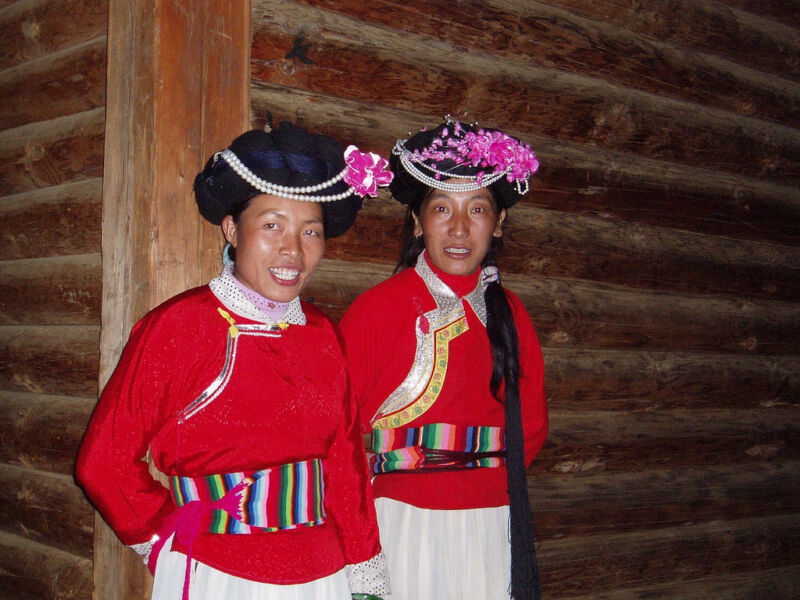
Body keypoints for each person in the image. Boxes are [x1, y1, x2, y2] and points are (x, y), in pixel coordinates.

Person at [76, 122, 393, 600]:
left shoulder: (323, 335)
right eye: (272, 225)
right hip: (220, 574)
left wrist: (364, 571)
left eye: (311, 231)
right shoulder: (181, 327)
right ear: (231, 229)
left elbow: (345, 464)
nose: (293, 249)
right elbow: (103, 463)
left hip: (324, 574)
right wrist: (165, 539)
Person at [339, 117, 548, 600]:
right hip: (399, 526)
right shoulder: (376, 311)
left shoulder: (511, 315)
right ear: (417, 220)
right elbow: (339, 437)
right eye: (441, 208)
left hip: (490, 527)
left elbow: (530, 427)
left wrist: (483, 490)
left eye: (477, 209)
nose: (459, 227)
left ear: (498, 223)